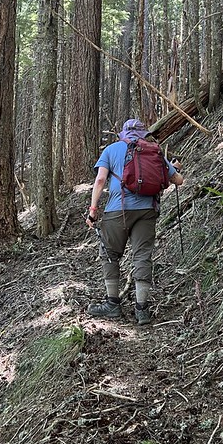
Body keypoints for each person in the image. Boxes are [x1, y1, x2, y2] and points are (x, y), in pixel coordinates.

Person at [84, 118, 184, 325]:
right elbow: (179, 180)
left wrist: (93, 210)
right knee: (142, 256)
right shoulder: (153, 151)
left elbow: (100, 180)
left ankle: (112, 304)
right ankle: (142, 309)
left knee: (110, 254)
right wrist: (172, 167)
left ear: (122, 133)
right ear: (143, 133)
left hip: (116, 211)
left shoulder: (111, 150)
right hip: (147, 211)